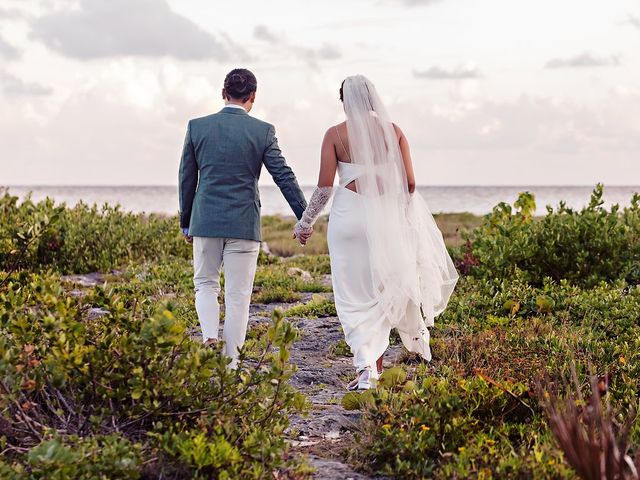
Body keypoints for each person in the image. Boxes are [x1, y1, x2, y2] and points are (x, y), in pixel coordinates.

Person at [294, 75, 458, 390]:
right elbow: (409, 184)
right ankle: (373, 369)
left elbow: (324, 188)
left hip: (348, 219)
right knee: (382, 289)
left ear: (344, 101)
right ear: (372, 100)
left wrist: (305, 223)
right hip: (385, 217)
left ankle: (367, 368)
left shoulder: (334, 135)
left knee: (352, 293)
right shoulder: (394, 132)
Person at [179, 68, 307, 367]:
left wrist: (187, 220)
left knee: (205, 283)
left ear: (223, 93)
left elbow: (187, 177)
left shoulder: (197, 127)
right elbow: (283, 176)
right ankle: (231, 365)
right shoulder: (262, 131)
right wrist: (304, 216)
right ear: (252, 97)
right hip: (244, 224)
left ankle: (209, 335)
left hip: (205, 220)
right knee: (238, 296)